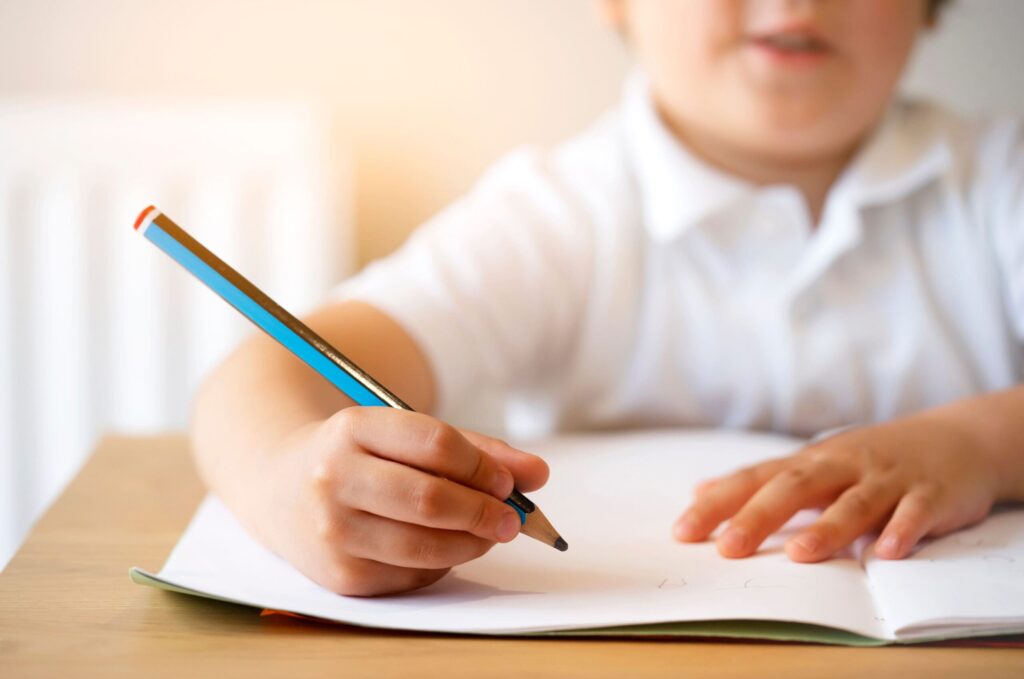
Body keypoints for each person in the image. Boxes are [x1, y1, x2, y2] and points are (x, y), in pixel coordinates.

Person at [191, 0, 1024, 596]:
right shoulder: (556, 214)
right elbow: (262, 375)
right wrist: (280, 478)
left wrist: (976, 444)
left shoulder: (1000, 177)